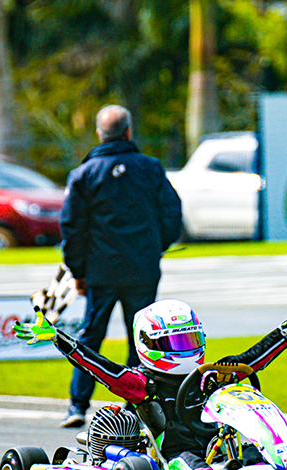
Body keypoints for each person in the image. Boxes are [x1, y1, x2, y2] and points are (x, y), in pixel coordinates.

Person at [13, 287, 287, 470]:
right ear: (148, 343)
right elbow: (101, 367)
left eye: (189, 340)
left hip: (220, 452)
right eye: (175, 342)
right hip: (169, 461)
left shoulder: (212, 375)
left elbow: (257, 356)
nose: (184, 349)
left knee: (256, 451)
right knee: (187, 461)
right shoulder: (142, 383)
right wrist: (60, 339)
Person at [57, 104, 183, 428]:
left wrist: (78, 270)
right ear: (128, 132)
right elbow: (172, 212)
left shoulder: (84, 174)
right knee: (143, 338)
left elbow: (71, 226)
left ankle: (77, 405)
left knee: (89, 338)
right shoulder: (150, 168)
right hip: (142, 268)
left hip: (101, 271)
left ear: (100, 134)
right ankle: (135, 405)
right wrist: (158, 247)